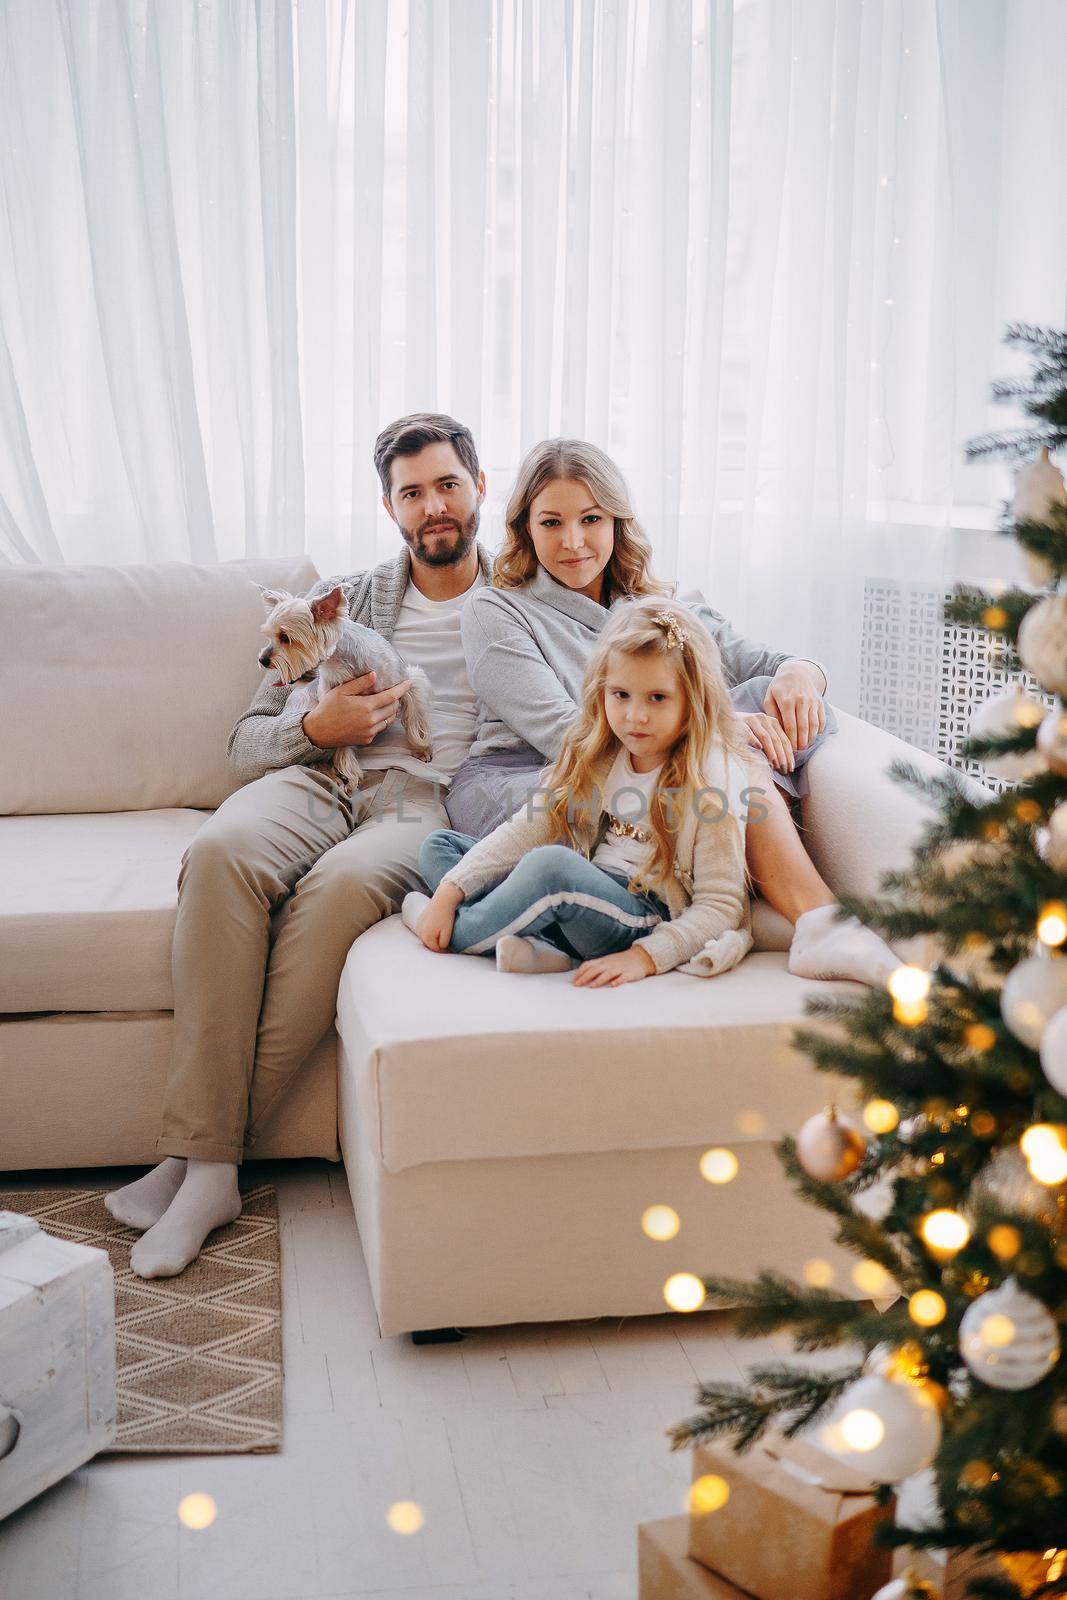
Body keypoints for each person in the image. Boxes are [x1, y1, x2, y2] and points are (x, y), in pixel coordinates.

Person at [104, 413, 494, 1278]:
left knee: (335, 894)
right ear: (388, 506)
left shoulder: (526, 598)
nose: (432, 505)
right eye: (411, 492)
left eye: (446, 485)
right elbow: (243, 744)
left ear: (477, 487)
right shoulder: (333, 603)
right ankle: (208, 1165)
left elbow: (697, 638)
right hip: (318, 772)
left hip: (419, 798)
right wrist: (317, 725)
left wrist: (795, 675)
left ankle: (204, 1162)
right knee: (218, 855)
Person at [445, 437, 899, 986]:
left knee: (755, 694)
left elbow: (770, 659)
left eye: (591, 519)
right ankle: (818, 917)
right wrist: (714, 733)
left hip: (639, 773)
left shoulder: (660, 611)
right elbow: (569, 735)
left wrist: (800, 675)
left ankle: (763, 907)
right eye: (550, 523)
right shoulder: (496, 609)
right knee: (726, 743)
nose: (573, 542)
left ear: (617, 522)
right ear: (524, 528)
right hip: (531, 782)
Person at [401, 597, 768, 982]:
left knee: (549, 868)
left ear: (693, 701)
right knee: (441, 848)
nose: (635, 716)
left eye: (657, 698)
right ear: (602, 691)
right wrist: (449, 892)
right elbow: (532, 826)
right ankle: (543, 944)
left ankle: (440, 930)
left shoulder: (710, 777)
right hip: (585, 893)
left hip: (641, 913)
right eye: (620, 695)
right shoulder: (600, 752)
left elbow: (720, 904)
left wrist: (644, 957)